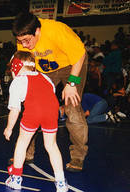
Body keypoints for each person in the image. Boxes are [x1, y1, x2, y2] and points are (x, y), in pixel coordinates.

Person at [11, 12, 88, 172]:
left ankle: (78, 156)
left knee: (72, 107)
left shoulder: (56, 30)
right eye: (20, 41)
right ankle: (25, 151)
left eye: (27, 40)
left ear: (37, 31)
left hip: (71, 64)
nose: (24, 45)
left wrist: (72, 83)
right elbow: (25, 65)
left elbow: (80, 54)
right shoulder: (23, 40)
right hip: (46, 69)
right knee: (32, 105)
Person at [3, 51, 68, 191]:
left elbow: (15, 110)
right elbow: (50, 94)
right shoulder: (45, 77)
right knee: (51, 145)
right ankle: (61, 182)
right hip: (52, 110)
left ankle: (15, 178)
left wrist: (9, 128)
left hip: (34, 110)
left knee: (22, 143)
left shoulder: (19, 81)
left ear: (15, 66)